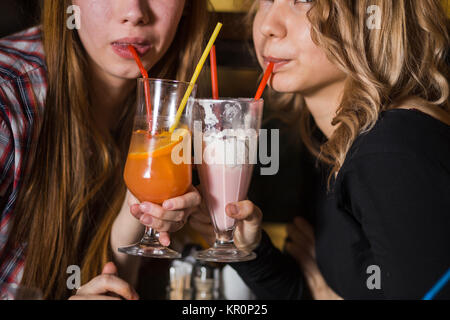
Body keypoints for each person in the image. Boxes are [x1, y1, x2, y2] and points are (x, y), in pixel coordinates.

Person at [190, 0, 450, 299]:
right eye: (266, 1)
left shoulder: (392, 152)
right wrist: (249, 250)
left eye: (303, 1)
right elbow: (310, 292)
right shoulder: (338, 138)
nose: (267, 26)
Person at [0, 0, 207, 299]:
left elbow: (109, 287)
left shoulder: (175, 117)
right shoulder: (7, 104)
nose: (135, 13)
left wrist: (133, 220)